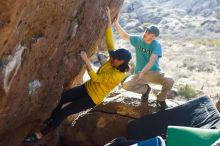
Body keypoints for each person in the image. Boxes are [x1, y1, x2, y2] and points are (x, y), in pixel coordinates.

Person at [23, 7, 132, 143]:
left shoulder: (118, 75)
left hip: (92, 98)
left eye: (115, 58)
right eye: (113, 56)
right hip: (87, 87)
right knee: (62, 97)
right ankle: (52, 120)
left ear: (122, 62)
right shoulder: (113, 60)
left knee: (65, 112)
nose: (112, 58)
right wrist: (109, 19)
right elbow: (110, 40)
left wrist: (86, 61)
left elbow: (96, 78)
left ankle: (40, 134)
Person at [114, 15, 174, 110]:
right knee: (126, 84)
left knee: (170, 80)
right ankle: (146, 90)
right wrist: (116, 24)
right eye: (146, 30)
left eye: (149, 32)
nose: (145, 33)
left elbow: (152, 60)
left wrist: (143, 72)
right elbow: (124, 36)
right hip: (139, 73)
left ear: (153, 36)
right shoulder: (138, 40)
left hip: (154, 73)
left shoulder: (156, 45)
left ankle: (161, 99)